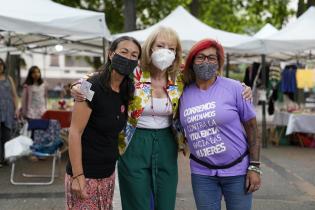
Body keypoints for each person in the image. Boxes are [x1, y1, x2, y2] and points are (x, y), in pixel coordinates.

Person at [71, 27, 253, 210]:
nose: (166, 51)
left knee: (165, 199)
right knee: (136, 199)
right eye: (160, 45)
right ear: (150, 48)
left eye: (171, 48)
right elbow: (97, 78)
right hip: (134, 141)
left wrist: (243, 87)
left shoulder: (180, 77)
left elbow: (211, 78)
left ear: (177, 53)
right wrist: (77, 85)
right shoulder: (134, 72)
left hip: (167, 141)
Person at [179, 39, 261, 210]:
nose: (206, 62)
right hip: (202, 173)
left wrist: (255, 167)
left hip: (238, 171)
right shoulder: (181, 92)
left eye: (211, 58)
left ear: (219, 62)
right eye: (200, 57)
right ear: (192, 61)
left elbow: (252, 129)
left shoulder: (236, 89)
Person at [65, 36, 141, 210]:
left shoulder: (127, 89)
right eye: (124, 52)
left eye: (134, 55)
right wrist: (78, 176)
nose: (128, 58)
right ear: (110, 54)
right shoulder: (89, 86)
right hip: (85, 174)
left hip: (108, 174)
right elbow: (74, 132)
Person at [0, 58, 19, 167]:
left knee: (7, 134)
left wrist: (17, 109)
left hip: (8, 110)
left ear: (3, 66)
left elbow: (14, 95)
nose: (0, 66)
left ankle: (7, 157)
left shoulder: (9, 78)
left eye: (1, 64)